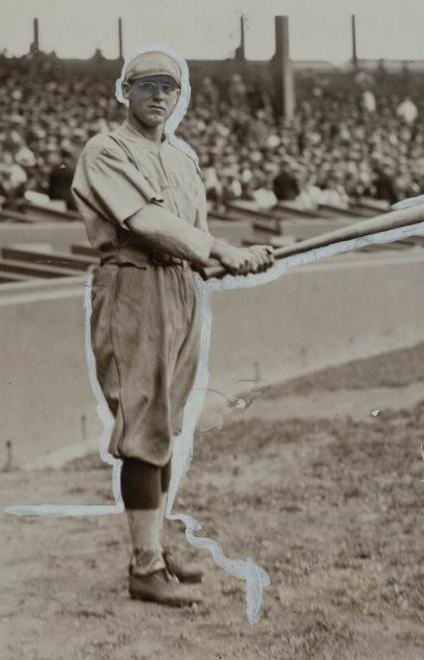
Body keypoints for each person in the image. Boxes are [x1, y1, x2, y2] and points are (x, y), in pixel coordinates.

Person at [71, 49, 275, 607]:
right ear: (125, 91)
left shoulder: (184, 160)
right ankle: (144, 566)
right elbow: (147, 222)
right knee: (142, 424)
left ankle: (156, 549)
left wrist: (241, 257)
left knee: (165, 424)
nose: (159, 96)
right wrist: (218, 249)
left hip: (183, 288)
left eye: (169, 87)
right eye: (147, 85)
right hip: (132, 285)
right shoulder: (106, 150)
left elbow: (198, 246)